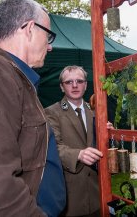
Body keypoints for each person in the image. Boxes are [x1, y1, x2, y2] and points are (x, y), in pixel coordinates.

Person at [0, 0, 66, 216]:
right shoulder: (0, 75)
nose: (50, 47)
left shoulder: (15, 77)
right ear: (28, 29)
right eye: (49, 36)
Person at [45, 65, 113, 217]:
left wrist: (108, 135)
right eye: (69, 82)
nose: (75, 85)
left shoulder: (96, 112)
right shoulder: (51, 112)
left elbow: (103, 148)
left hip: (97, 192)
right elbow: (53, 147)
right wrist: (78, 155)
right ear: (62, 87)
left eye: (79, 81)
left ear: (86, 85)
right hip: (70, 196)